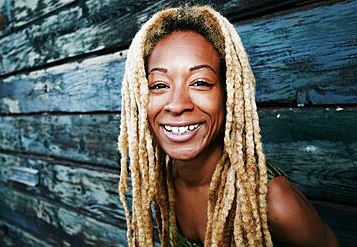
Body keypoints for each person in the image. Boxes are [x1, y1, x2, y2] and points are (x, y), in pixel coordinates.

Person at [118, 5, 339, 247]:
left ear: (228, 94)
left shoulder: (276, 202)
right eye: (159, 85)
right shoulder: (161, 181)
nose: (177, 104)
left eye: (200, 82)